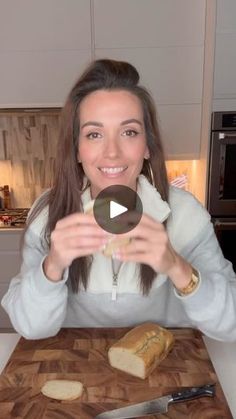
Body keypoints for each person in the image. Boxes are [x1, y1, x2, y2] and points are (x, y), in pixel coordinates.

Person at [1, 59, 236, 341]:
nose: (112, 152)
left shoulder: (186, 215)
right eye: (94, 134)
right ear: (77, 149)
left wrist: (177, 266)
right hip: (77, 368)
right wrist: (53, 265)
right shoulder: (47, 215)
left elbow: (230, 325)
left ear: (147, 146)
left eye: (129, 132)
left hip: (170, 372)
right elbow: (31, 329)